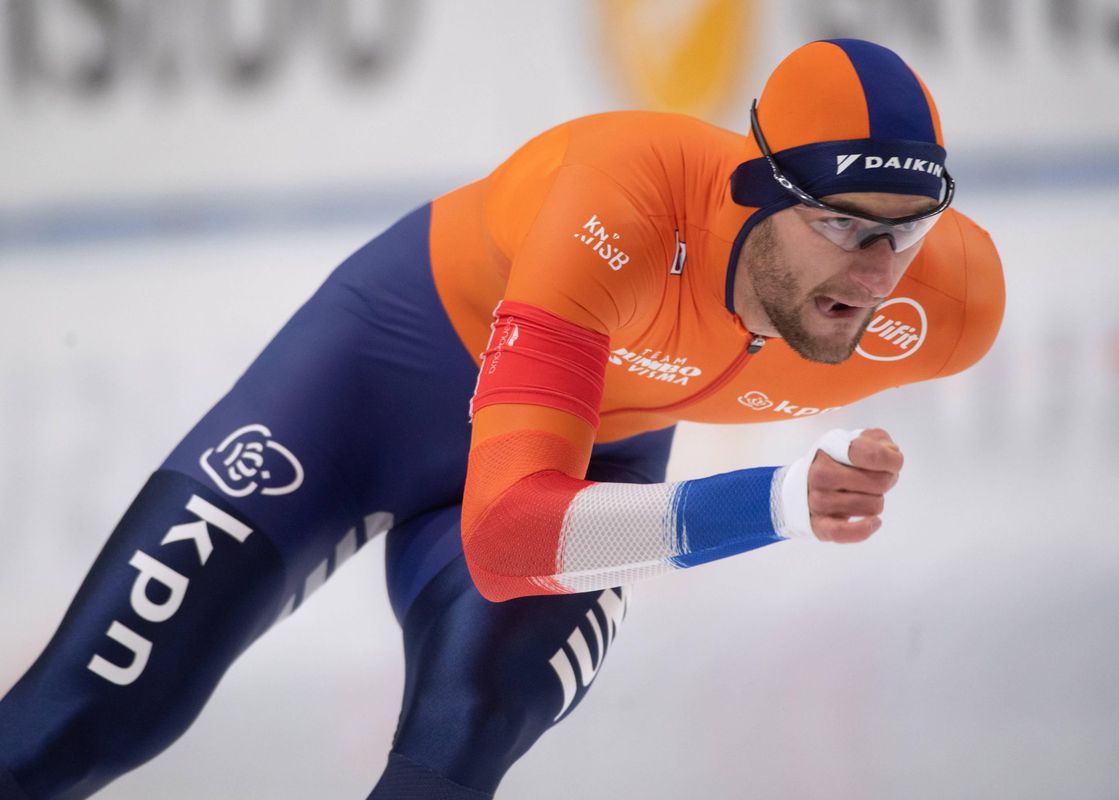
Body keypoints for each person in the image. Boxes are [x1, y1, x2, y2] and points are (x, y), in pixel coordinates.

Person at [0, 38, 1003, 799]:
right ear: (756, 192)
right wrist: (781, 499)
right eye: (840, 225)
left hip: (590, 451)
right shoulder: (619, 205)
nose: (875, 274)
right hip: (373, 390)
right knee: (78, 718)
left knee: (459, 740)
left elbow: (521, 536)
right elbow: (509, 534)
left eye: (906, 232)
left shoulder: (949, 307)